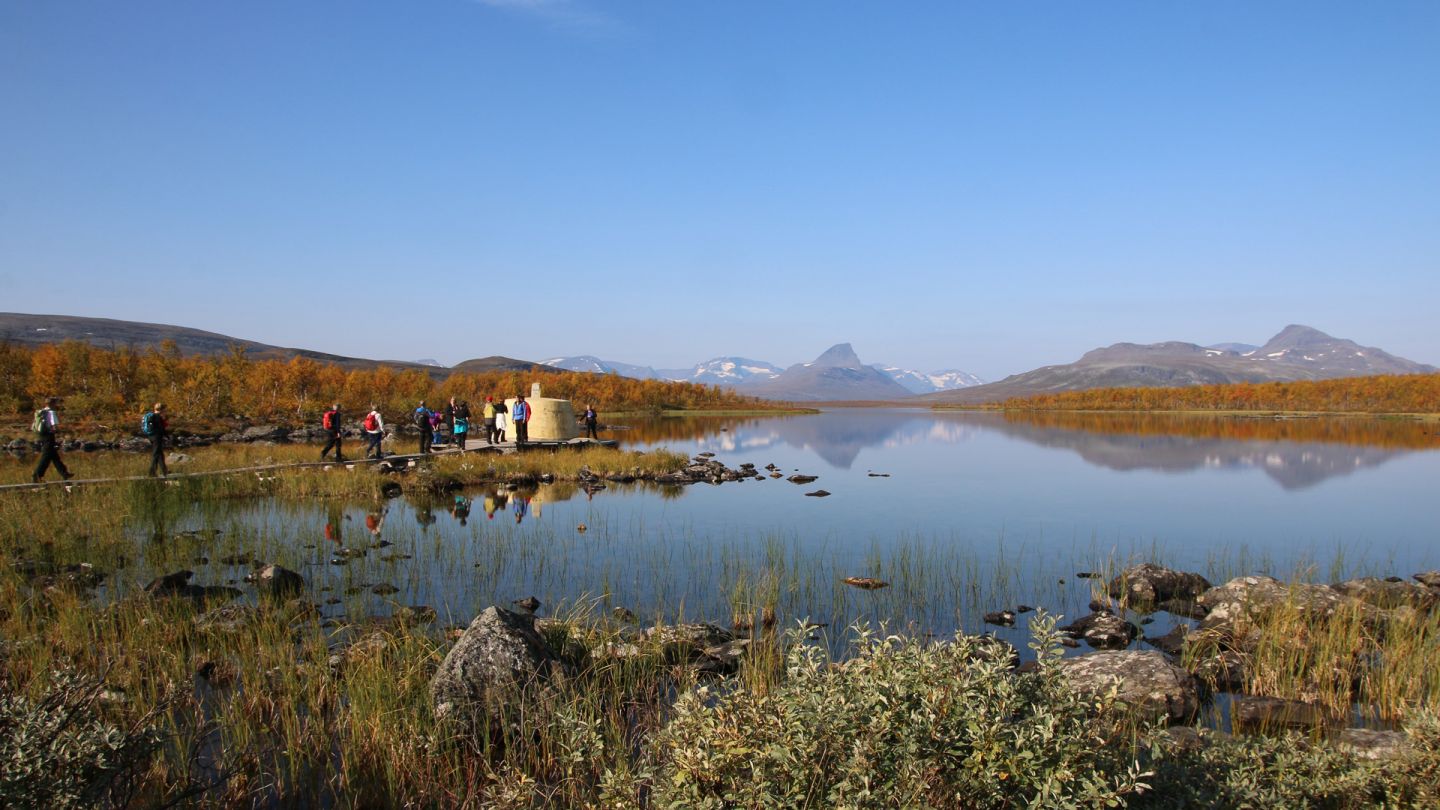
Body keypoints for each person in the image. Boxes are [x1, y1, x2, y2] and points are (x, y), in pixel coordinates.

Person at [31, 397, 74, 483]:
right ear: (52, 404)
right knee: (46, 456)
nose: (56, 405)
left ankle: (64, 473)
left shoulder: (42, 412)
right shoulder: (51, 412)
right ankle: (37, 475)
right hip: (49, 436)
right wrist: (60, 433)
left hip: (42, 435)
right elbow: (54, 426)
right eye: (55, 403)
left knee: (54, 456)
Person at [145, 402, 170, 478]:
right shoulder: (157, 417)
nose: (165, 411)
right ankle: (151, 472)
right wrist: (167, 436)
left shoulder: (151, 416)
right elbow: (161, 428)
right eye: (164, 410)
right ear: (161, 410)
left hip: (150, 436)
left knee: (160, 454)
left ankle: (164, 470)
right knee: (156, 454)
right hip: (157, 437)